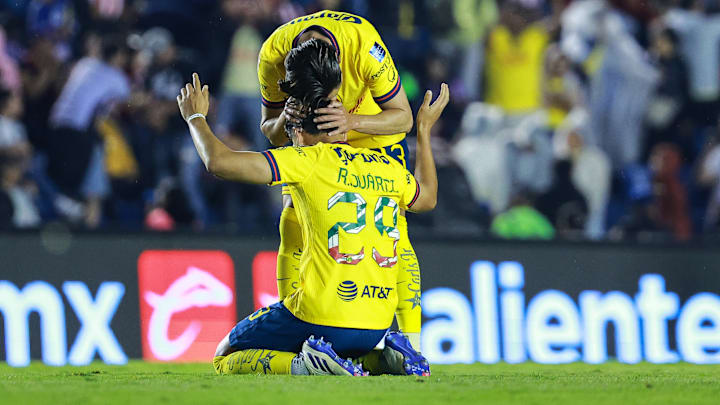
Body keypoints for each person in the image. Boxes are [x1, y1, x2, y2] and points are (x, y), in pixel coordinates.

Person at [176, 52, 447, 375]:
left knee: (225, 355)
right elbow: (427, 197)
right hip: (376, 322)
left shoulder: (307, 161)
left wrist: (196, 119)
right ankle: (388, 358)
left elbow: (219, 162)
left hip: (321, 313)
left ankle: (304, 364)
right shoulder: (388, 167)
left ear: (301, 133)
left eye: (290, 133)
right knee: (347, 355)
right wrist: (424, 129)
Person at [257, 10, 424, 351]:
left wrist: (350, 120)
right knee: (293, 216)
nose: (328, 100)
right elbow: (271, 131)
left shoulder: (364, 48)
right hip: (319, 134)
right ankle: (297, 327)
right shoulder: (271, 56)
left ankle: (413, 346)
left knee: (395, 226)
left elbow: (403, 118)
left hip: (370, 126)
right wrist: (284, 119)